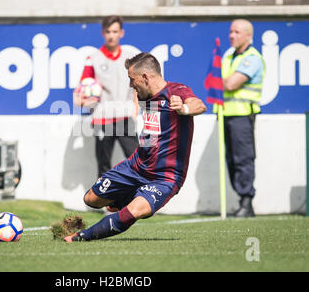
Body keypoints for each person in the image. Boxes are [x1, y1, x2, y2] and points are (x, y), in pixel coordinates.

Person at [65, 52, 206, 242]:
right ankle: (129, 197)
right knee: (91, 199)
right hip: (135, 166)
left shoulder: (176, 91)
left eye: (132, 80)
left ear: (146, 77)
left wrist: (184, 109)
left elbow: (199, 105)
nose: (131, 85)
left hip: (165, 177)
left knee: (134, 212)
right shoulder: (142, 94)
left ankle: (82, 237)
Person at [74, 15, 139, 178]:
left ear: (121, 33)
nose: (111, 35)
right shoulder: (93, 59)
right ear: (103, 33)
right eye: (108, 31)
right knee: (104, 165)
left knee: (138, 162)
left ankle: (138, 200)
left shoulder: (130, 56)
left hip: (125, 118)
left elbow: (138, 85)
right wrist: (84, 101)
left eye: (115, 31)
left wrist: (135, 108)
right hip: (103, 120)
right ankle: (106, 203)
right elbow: (81, 90)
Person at [218, 19, 265, 217]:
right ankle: (244, 202)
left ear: (248, 35)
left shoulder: (252, 58)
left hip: (243, 115)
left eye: (236, 32)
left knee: (243, 158)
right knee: (230, 159)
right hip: (226, 114)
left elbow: (230, 84)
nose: (231, 35)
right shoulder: (229, 56)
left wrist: (219, 80)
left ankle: (246, 201)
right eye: (230, 31)